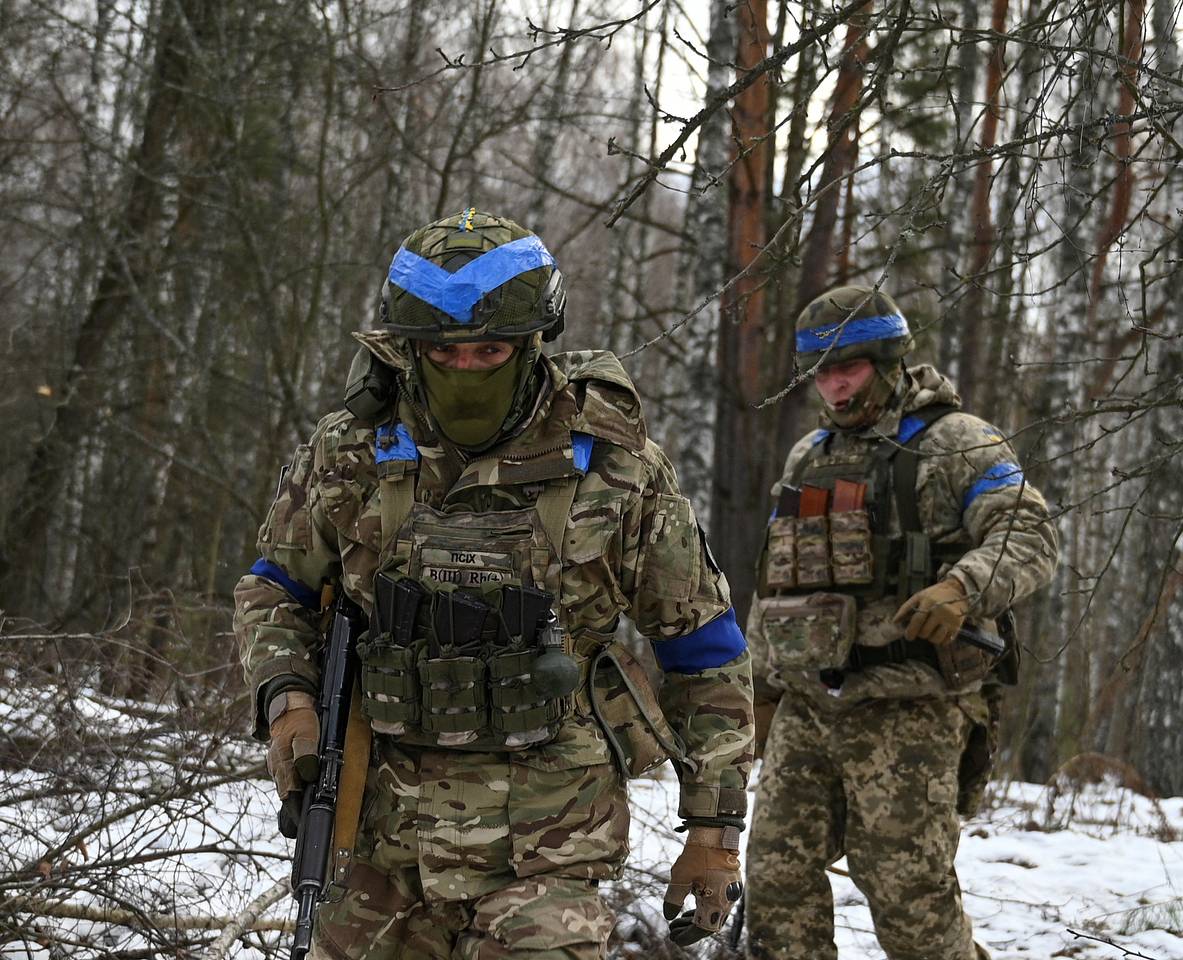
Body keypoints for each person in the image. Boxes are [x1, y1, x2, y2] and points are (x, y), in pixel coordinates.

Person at [233, 209, 753, 960]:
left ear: (534, 341)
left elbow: (703, 650)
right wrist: (288, 701)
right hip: (379, 841)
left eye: (491, 349)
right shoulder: (353, 450)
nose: (467, 369)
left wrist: (713, 832)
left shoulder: (616, 465)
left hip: (549, 851)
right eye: (444, 353)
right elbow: (274, 588)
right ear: (410, 349)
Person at [744, 284, 1058, 960]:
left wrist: (963, 587)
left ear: (887, 361)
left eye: (847, 368)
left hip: (910, 705)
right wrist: (763, 688)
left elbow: (1029, 534)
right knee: (775, 881)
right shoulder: (810, 456)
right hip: (808, 705)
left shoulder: (956, 443)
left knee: (908, 897)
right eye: (823, 372)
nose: (834, 386)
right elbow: (778, 576)